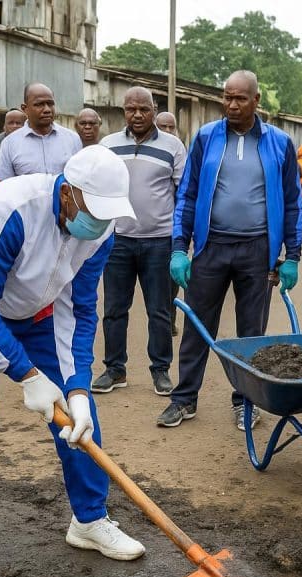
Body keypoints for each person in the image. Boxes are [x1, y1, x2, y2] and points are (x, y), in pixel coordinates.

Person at [0, 145, 142, 577]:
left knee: (79, 415)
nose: (99, 223)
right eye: (94, 211)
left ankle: (89, 520)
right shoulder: (11, 210)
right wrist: (27, 375)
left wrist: (77, 387)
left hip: (36, 310)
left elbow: (80, 310)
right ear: (67, 193)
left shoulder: (101, 230)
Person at [159, 70, 302, 431]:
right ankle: (184, 398)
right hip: (212, 247)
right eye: (228, 97)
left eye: (240, 98)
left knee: (251, 333)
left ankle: (246, 402)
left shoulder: (279, 143)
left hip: (258, 251)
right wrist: (180, 248)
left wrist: (292, 256)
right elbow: (188, 194)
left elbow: (292, 201)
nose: (232, 104)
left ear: (256, 101)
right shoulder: (207, 137)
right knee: (196, 325)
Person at [96, 87, 186, 396]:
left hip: (159, 242)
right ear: (123, 111)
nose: (137, 115)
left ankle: (160, 370)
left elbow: (183, 194)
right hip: (118, 240)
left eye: (143, 109)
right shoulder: (108, 145)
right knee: (114, 309)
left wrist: (180, 241)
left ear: (154, 110)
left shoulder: (173, 146)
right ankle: (114, 369)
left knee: (159, 311)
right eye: (130, 109)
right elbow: (99, 189)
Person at [0, 83, 81, 180]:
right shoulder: (9, 143)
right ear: (25, 109)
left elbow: (81, 179)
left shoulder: (73, 139)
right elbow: (2, 183)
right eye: (39, 104)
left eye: (50, 104)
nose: (47, 109)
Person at [155, 110, 182, 334]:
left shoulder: (180, 153)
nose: (167, 131)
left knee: (173, 280)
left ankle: (170, 319)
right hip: (152, 230)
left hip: (174, 230)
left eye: (171, 127)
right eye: (162, 126)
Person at [0, 109, 26, 182]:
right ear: (4, 127)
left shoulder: (31, 141)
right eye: (11, 123)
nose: (14, 126)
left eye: (18, 123)